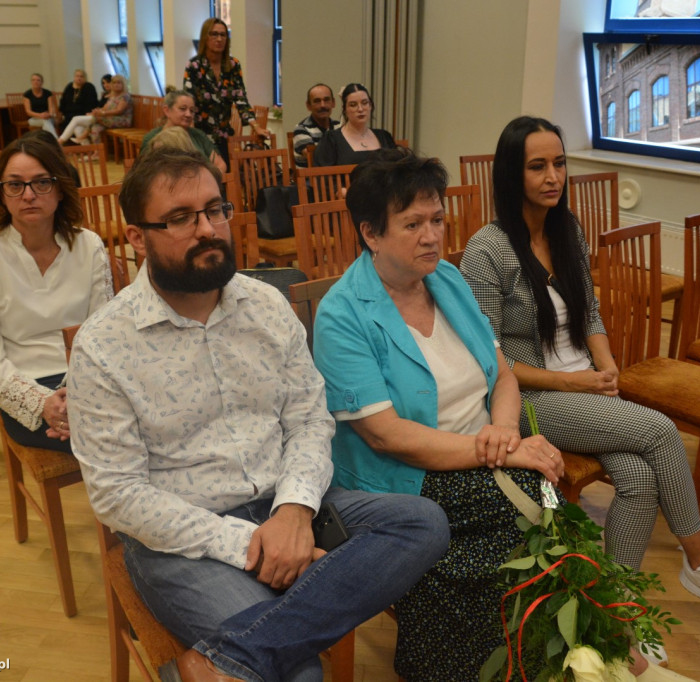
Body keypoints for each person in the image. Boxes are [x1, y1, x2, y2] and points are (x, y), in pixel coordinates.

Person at [67, 148, 449, 682]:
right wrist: (251, 544)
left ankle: (222, 661)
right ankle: (257, 646)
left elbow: (310, 420)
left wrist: (293, 511)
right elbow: (117, 494)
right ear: (137, 238)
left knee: (421, 522)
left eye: (214, 210)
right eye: (180, 218)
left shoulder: (266, 305)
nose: (207, 229)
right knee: (301, 675)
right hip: (184, 540)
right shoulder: (103, 345)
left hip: (287, 499)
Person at [459, 116, 700, 670]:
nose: (553, 176)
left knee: (640, 477)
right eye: (538, 166)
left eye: (559, 163)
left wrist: (607, 372)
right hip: (529, 398)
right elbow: (491, 360)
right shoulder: (487, 250)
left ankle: (616, 610)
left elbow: (592, 315)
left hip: (584, 385)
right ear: (511, 174)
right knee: (660, 431)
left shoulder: (566, 229)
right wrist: (577, 382)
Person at [311, 148, 565, 682]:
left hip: (482, 452)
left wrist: (503, 432)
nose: (431, 236)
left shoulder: (447, 280)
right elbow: (386, 436)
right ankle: (506, 658)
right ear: (371, 233)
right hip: (403, 476)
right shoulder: (342, 313)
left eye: (437, 220)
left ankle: (529, 653)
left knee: (537, 497)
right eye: (412, 224)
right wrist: (500, 453)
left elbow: (504, 376)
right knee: (526, 503)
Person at [0, 137, 113, 453]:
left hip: (88, 380)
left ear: (60, 188)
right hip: (22, 386)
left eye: (41, 183)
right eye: (15, 185)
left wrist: (80, 393)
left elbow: (104, 335)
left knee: (142, 423)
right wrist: (43, 403)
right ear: (1, 193)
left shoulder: (88, 245)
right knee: (114, 438)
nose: (28, 195)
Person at [183, 18, 268, 168]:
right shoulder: (194, 65)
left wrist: (256, 126)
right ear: (205, 37)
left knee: (227, 175)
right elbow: (188, 101)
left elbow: (241, 99)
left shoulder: (233, 65)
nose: (219, 39)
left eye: (223, 35)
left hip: (223, 136)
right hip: (200, 135)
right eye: (214, 34)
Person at [140, 89, 227, 172]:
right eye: (182, 109)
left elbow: (220, 165)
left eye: (192, 110)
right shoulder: (153, 138)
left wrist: (209, 179)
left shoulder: (198, 135)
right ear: (167, 110)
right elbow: (145, 172)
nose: (188, 114)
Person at [312, 83, 396, 167]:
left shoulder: (385, 137)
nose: (360, 109)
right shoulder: (331, 140)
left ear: (370, 106)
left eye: (364, 103)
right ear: (345, 109)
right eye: (353, 105)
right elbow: (322, 173)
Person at [58, 75, 132, 145]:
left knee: (79, 119)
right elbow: (104, 108)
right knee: (93, 128)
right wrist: (96, 111)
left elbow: (119, 110)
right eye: (114, 83)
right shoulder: (113, 96)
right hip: (110, 119)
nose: (116, 85)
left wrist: (102, 113)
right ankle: (94, 150)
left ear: (123, 84)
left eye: (119, 83)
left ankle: (63, 141)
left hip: (121, 120)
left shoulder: (125, 96)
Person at [291, 83, 341, 167]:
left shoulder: (340, 127)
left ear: (333, 103)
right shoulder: (301, 129)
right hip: (311, 175)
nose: (322, 105)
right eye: (317, 101)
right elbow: (316, 159)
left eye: (326, 100)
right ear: (308, 106)